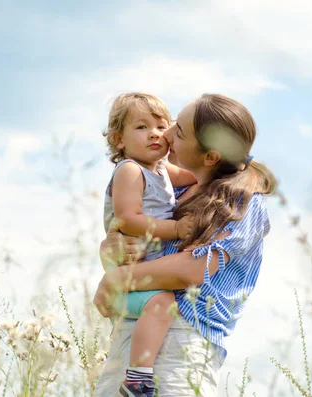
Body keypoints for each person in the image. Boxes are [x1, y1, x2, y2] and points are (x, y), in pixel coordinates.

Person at [93, 93, 276, 397]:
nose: (164, 135)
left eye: (177, 131)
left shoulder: (241, 203)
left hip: (181, 348)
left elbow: (192, 268)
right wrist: (111, 248)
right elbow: (135, 242)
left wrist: (116, 278)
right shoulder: (171, 194)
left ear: (210, 157)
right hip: (130, 339)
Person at [101, 92, 196, 397]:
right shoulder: (130, 170)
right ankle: (137, 380)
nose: (154, 133)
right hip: (130, 277)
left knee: (162, 303)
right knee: (163, 303)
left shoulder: (161, 170)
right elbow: (129, 219)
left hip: (142, 277)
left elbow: (197, 176)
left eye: (161, 126)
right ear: (119, 140)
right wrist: (176, 228)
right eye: (141, 127)